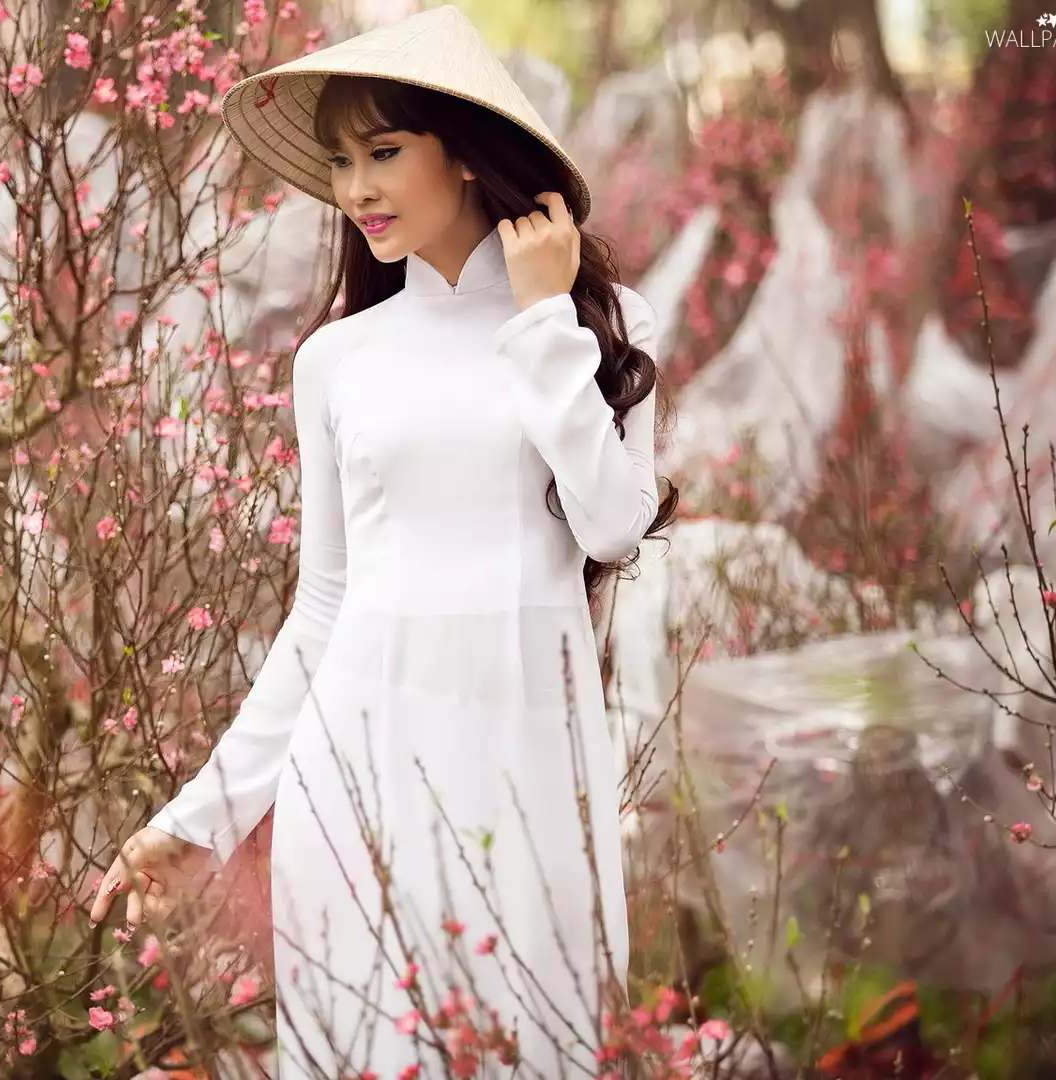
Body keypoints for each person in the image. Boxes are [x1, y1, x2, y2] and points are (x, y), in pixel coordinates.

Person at [88, 7, 677, 1077]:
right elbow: (325, 610)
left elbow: (612, 524)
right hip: (356, 775)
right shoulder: (339, 360)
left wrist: (547, 325)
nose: (354, 187)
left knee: (542, 1043)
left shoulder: (605, 327)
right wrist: (202, 816)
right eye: (341, 160)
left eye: (385, 152)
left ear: (465, 155)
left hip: (533, 765)